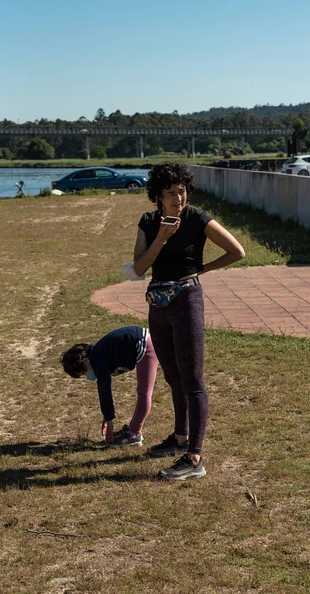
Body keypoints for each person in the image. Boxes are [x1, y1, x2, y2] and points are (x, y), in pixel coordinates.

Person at [133, 162, 245, 480]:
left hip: (187, 301)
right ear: (158, 195)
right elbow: (139, 267)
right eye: (171, 193)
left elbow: (237, 251)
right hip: (159, 303)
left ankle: (194, 456)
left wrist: (203, 269)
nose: (178, 199)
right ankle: (179, 437)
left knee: (193, 380)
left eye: (182, 192)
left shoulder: (197, 219)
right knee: (173, 375)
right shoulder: (149, 221)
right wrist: (162, 238)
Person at [61, 326, 158, 446]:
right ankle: (132, 430)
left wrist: (110, 423)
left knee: (144, 393)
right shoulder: (97, 354)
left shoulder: (97, 359)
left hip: (145, 346)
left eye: (84, 373)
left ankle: (134, 435)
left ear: (85, 362)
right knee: (143, 393)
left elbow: (105, 390)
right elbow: (104, 392)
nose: (87, 376)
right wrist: (107, 417)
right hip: (144, 341)